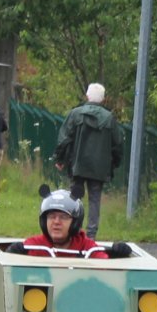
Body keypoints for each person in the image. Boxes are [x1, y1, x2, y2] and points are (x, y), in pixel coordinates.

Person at [54, 82, 123, 237]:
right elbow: (117, 144)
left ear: (87, 96)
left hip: (77, 163)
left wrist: (60, 158)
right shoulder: (109, 118)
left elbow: (64, 138)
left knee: (75, 196)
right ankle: (91, 234)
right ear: (104, 100)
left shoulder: (75, 114)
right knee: (94, 199)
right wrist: (114, 163)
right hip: (99, 167)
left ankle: (73, 229)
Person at [14, 190, 108, 258]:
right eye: (51, 216)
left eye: (63, 217)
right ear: (44, 221)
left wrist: (117, 256)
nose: (56, 222)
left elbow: (106, 267)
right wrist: (13, 254)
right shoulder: (33, 245)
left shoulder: (87, 247)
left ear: (75, 223)